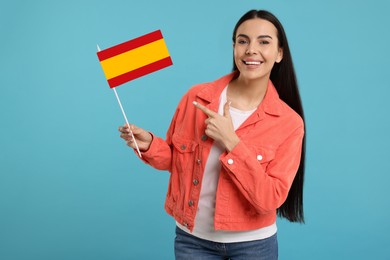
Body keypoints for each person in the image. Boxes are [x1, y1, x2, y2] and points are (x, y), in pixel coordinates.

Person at [119, 9, 305, 260]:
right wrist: (151, 145)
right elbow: (176, 161)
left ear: (279, 53)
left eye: (264, 42)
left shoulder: (289, 123)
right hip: (192, 241)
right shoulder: (196, 98)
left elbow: (269, 199)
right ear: (234, 47)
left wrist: (232, 142)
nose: (251, 49)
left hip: (254, 246)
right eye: (243, 41)